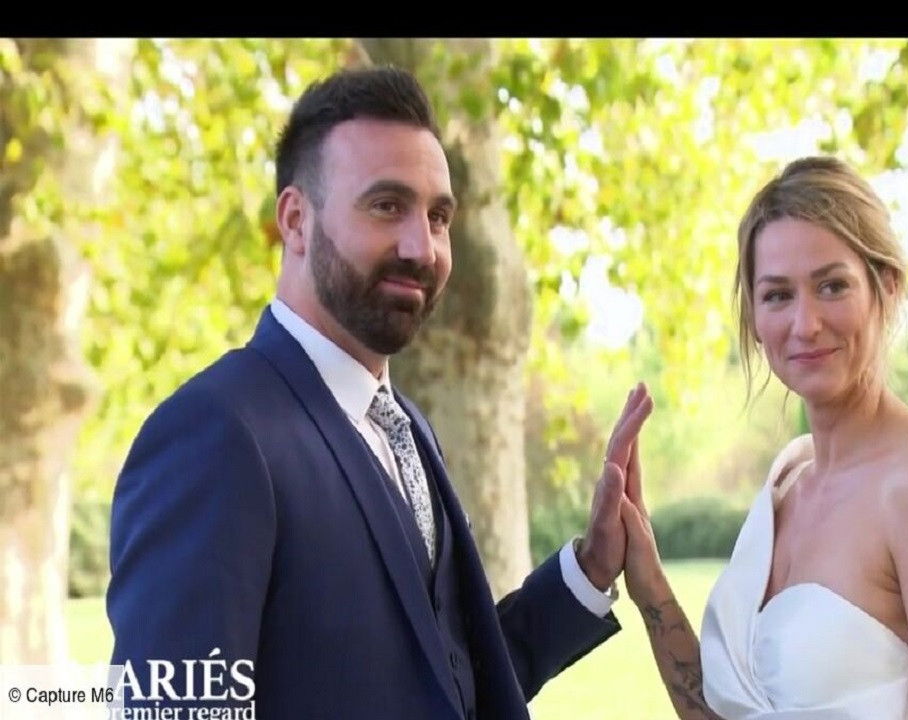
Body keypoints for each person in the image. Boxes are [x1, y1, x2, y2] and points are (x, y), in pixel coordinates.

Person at [106, 66, 653, 720]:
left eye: (439, 216)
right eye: (387, 206)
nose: (422, 247)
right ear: (296, 220)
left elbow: (448, 682)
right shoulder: (214, 435)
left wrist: (590, 569)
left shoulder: (407, 427)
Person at [614, 156, 908, 719]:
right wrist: (648, 583)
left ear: (887, 289)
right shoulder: (786, 483)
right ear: (755, 318)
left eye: (832, 286)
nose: (805, 324)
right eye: (778, 295)